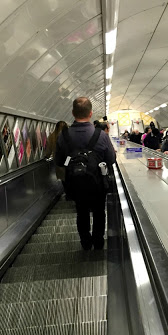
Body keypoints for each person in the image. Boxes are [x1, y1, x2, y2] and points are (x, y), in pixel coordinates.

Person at [55, 97, 116, 250]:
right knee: (99, 211)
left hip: (75, 183)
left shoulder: (64, 135)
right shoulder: (101, 135)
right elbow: (111, 159)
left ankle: (85, 243)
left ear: (72, 113)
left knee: (81, 211)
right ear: (90, 113)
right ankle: (98, 242)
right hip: (97, 183)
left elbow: (59, 161)